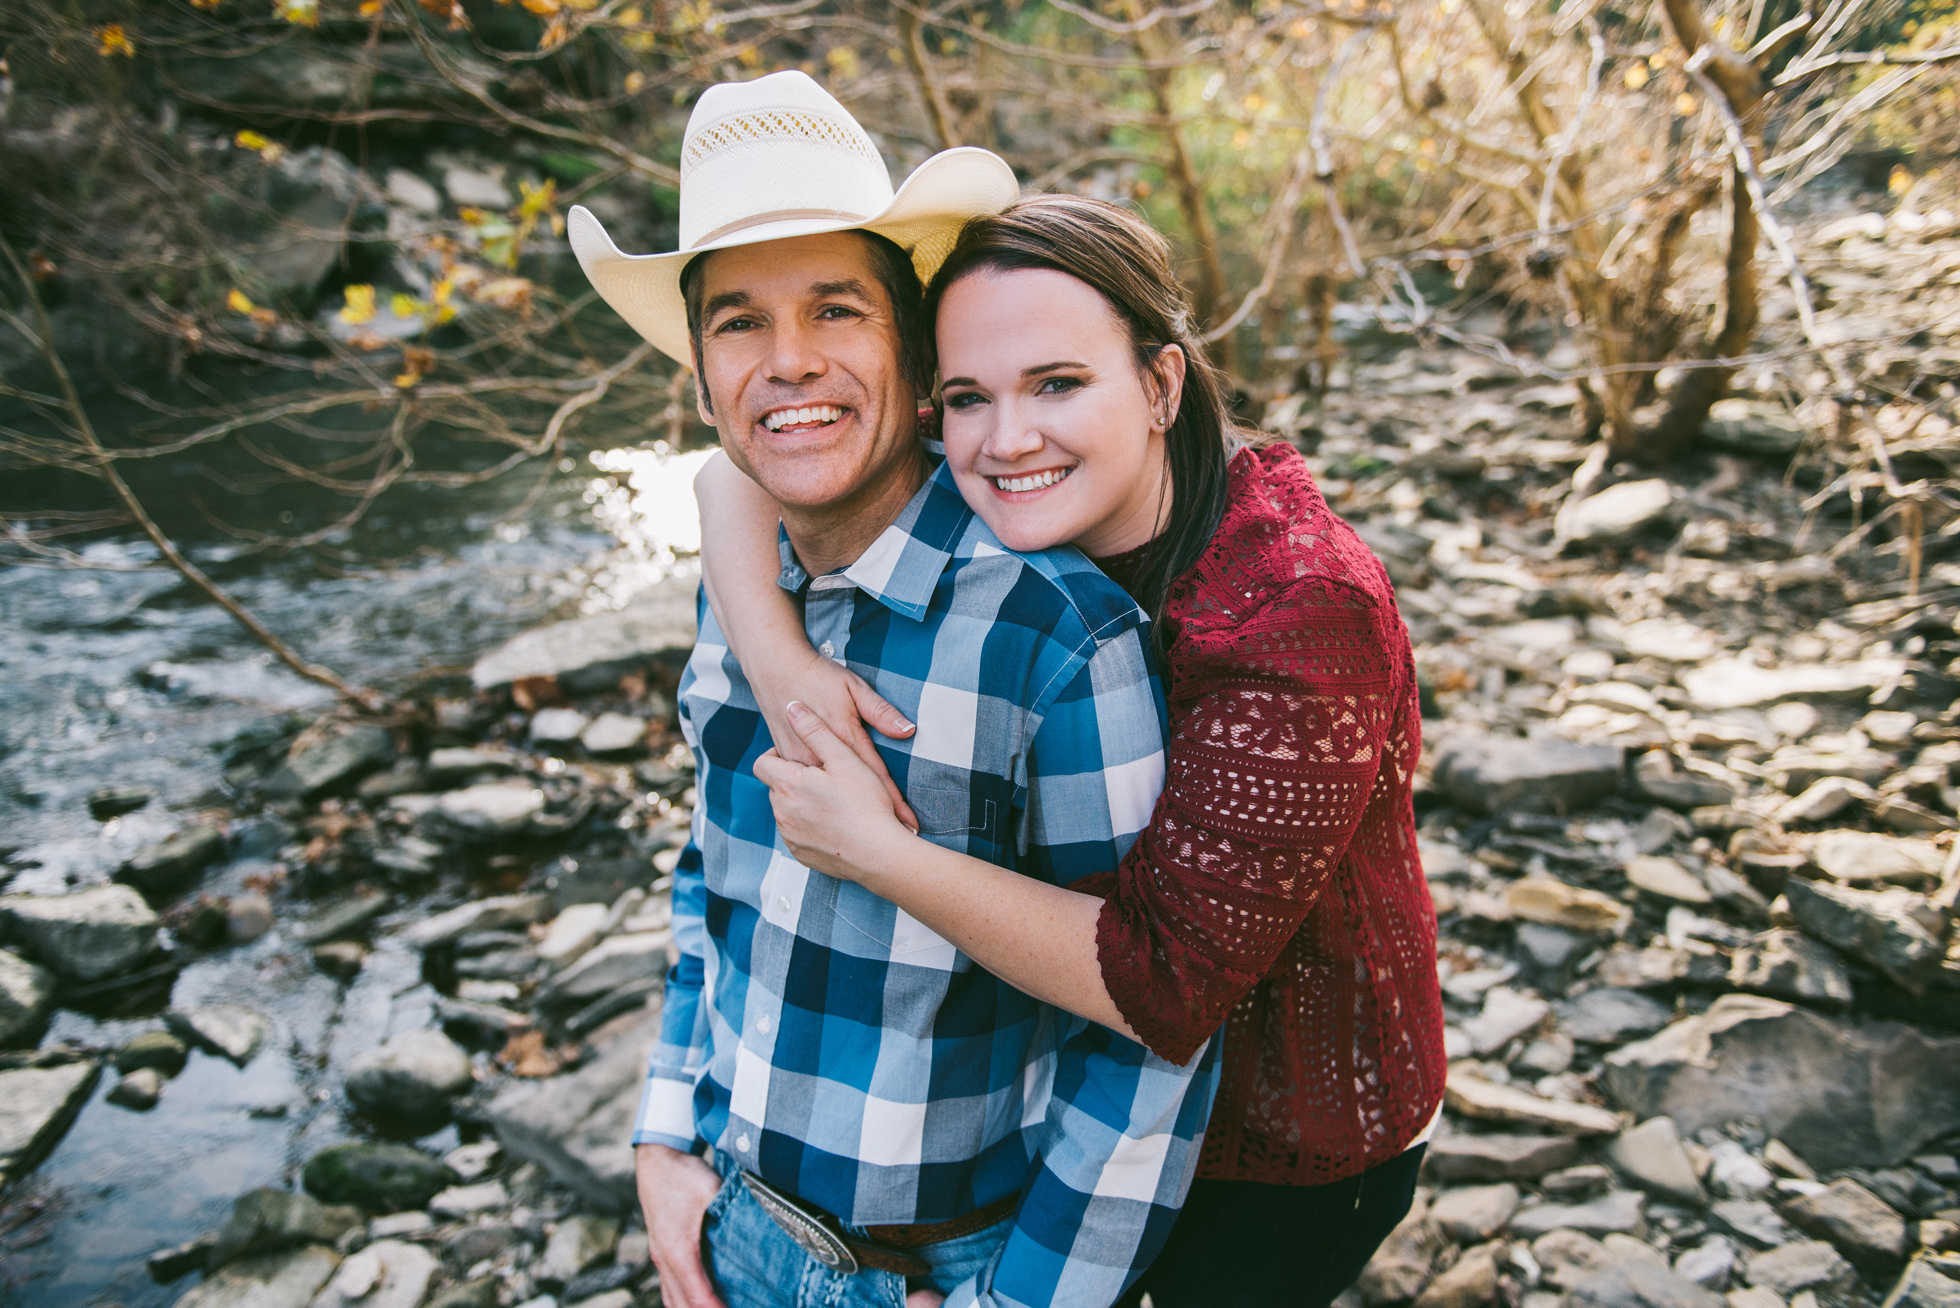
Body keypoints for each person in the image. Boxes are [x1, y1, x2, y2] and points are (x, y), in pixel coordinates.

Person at [695, 194, 1449, 1308]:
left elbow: (1167, 983)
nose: (1007, 438)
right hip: (1062, 1117)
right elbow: (732, 473)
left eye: (1058, 385)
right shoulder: (1012, 497)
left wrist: (876, 851)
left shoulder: (1296, 614)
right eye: (966, 398)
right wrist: (772, 652)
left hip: (1282, 1133)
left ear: (1159, 385)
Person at [567, 73, 1221, 1308]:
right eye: (739, 323)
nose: (789, 361)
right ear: (701, 375)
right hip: (735, 1219)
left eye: (834, 309)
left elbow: (1147, 1041)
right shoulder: (738, 584)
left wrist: (1020, 1304)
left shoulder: (1055, 636)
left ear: (914, 350)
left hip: (947, 1268)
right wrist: (664, 1134)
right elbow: (715, 872)